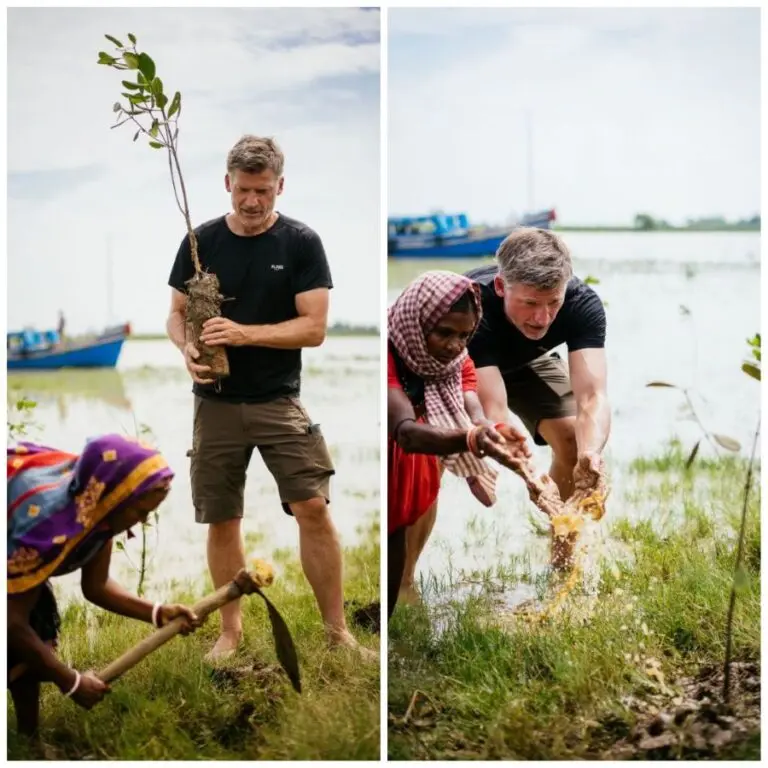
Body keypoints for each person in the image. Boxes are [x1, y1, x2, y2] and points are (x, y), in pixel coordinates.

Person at [166, 135, 368, 661]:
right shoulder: (200, 240)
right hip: (214, 403)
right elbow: (174, 312)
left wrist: (243, 333)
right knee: (222, 517)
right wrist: (187, 346)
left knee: (313, 508)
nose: (252, 202)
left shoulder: (301, 242)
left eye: (263, 191)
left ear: (280, 186)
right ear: (226, 183)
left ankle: (337, 633)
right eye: (243, 190)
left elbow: (314, 328)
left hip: (279, 400)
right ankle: (229, 633)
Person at [7, 435, 202, 737]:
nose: (142, 521)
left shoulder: (100, 512)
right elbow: (11, 623)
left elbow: (96, 586)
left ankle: (27, 739)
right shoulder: (48, 528)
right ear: (116, 497)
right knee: (20, 646)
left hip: (17, 569)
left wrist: (158, 612)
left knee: (33, 644)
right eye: (140, 512)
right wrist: (71, 682)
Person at [387, 271, 531, 618]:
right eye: (444, 333)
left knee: (405, 522)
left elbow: (469, 402)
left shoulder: (456, 359)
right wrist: (471, 439)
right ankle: (389, 613)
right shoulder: (389, 354)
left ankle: (394, 605)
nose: (454, 344)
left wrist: (491, 429)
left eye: (465, 335)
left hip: (420, 450)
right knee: (392, 528)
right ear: (417, 322)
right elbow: (406, 431)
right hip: (399, 444)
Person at [466, 227, 610, 507]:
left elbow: (593, 396)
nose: (542, 318)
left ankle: (565, 543)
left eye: (553, 302)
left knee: (574, 441)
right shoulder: (471, 303)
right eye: (530, 303)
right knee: (430, 455)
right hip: (470, 369)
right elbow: (495, 410)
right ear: (500, 286)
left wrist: (590, 453)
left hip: (535, 359)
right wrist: (529, 472)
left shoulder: (581, 303)